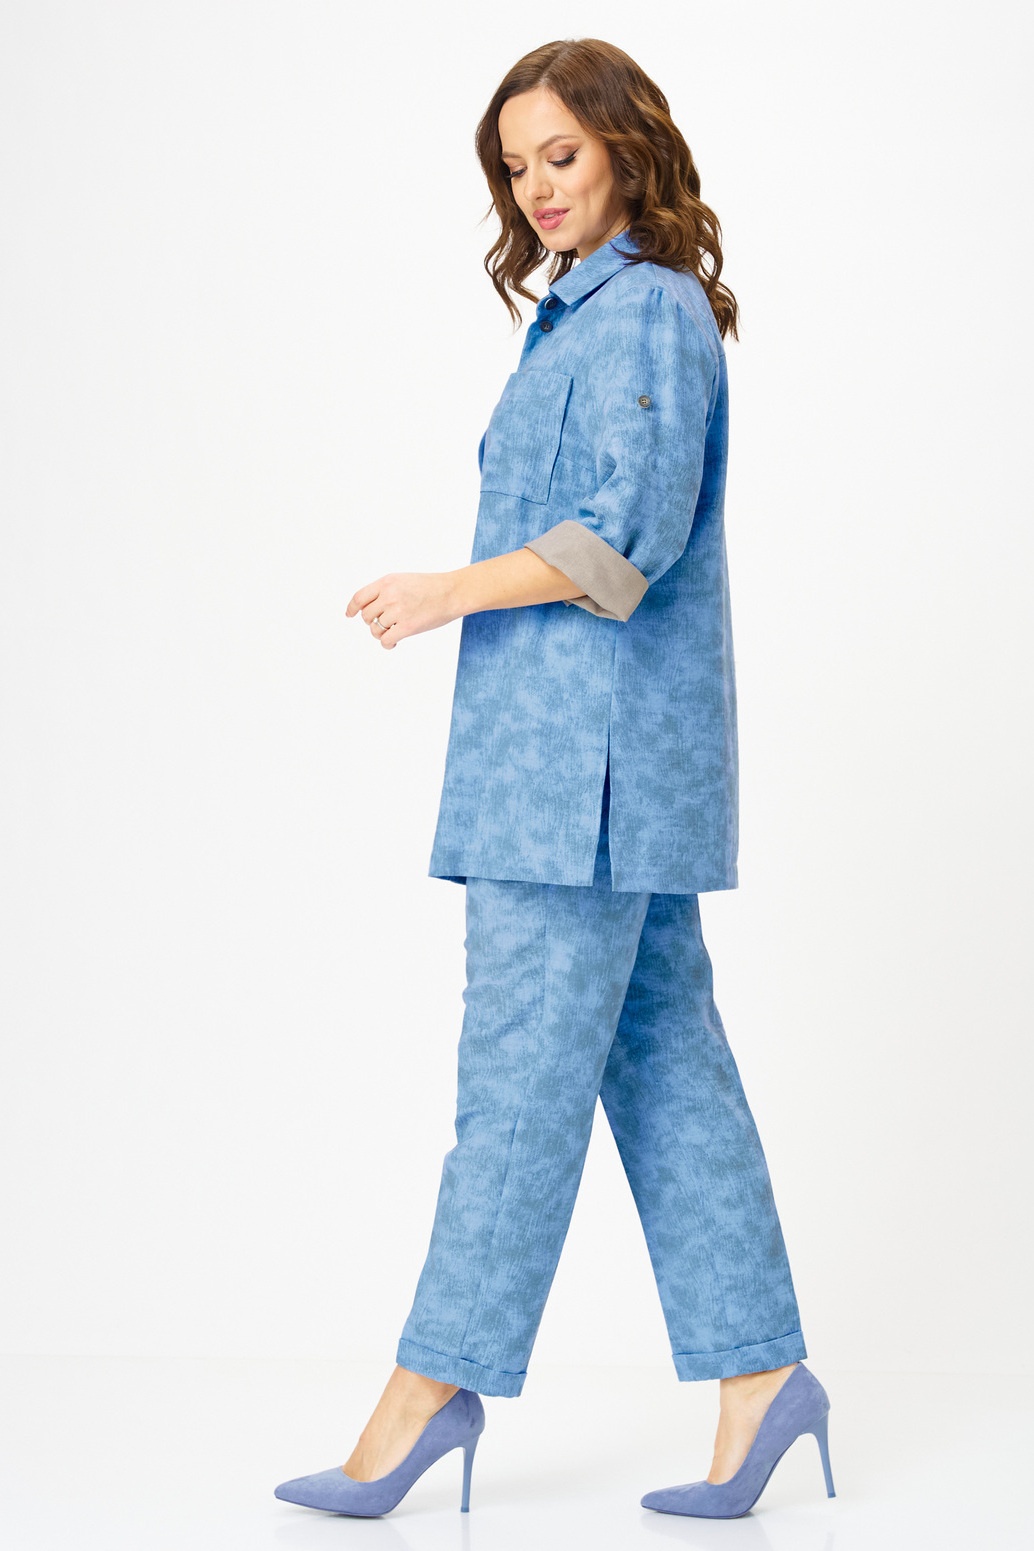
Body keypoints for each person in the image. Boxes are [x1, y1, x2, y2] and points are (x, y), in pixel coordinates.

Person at [273, 36, 836, 1520]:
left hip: (580, 787)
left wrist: (444, 590)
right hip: (580, 773)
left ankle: (428, 1394)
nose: (535, 188)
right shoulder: (583, 314)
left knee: (515, 1084)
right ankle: (764, 1379)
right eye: (515, 166)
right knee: (666, 1073)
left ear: (626, 149)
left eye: (561, 156)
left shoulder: (644, 314)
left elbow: (625, 534)